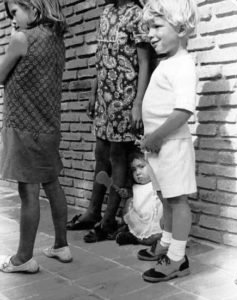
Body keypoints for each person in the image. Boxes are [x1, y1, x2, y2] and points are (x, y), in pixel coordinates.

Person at [66, 0, 151, 243]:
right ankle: (93, 211)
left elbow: (145, 62)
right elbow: (101, 59)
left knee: (117, 155)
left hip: (125, 97)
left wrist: (137, 104)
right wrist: (93, 92)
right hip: (104, 96)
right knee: (100, 152)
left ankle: (109, 218)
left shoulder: (137, 15)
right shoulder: (106, 13)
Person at [0, 0, 72, 274]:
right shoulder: (56, 38)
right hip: (48, 126)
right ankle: (61, 245)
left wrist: (11, 41)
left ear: (32, 5)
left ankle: (23, 258)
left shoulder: (20, 38)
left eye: (14, 12)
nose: (13, 20)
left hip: (23, 126)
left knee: (28, 193)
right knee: (52, 183)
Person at [137, 0, 199, 282]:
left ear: (181, 27)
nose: (150, 33)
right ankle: (165, 241)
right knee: (165, 198)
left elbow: (184, 110)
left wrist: (157, 136)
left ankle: (177, 257)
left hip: (171, 146)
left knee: (177, 201)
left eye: (157, 26)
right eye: (148, 27)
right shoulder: (168, 63)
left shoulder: (184, 64)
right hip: (159, 148)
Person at [115, 151, 163, 246]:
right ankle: (128, 230)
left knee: (155, 237)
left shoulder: (157, 185)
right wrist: (126, 194)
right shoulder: (135, 187)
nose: (137, 172)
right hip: (139, 222)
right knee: (129, 201)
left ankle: (134, 238)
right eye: (134, 169)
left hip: (154, 223)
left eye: (141, 167)